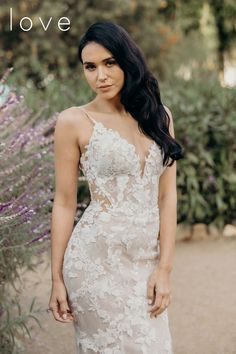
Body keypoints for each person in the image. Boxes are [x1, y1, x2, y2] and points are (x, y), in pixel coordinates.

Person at [48, 20, 183, 353]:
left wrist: (164, 268)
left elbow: (167, 198)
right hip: (94, 264)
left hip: (145, 261)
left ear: (127, 60)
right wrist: (56, 279)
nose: (100, 76)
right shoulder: (73, 121)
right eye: (90, 67)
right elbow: (64, 203)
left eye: (109, 63)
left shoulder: (159, 117)